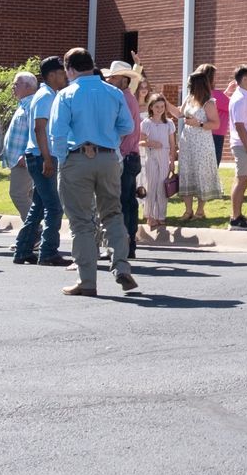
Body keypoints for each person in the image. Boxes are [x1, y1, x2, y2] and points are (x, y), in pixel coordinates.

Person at [48, 47, 139, 297]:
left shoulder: (66, 94)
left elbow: (57, 133)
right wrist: (110, 143)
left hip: (77, 157)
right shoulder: (113, 92)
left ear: (70, 69)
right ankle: (120, 264)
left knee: (81, 222)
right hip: (109, 157)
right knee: (113, 213)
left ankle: (87, 280)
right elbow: (127, 126)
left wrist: (63, 159)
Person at [13, 56, 71, 265]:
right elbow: (40, 128)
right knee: (54, 207)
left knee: (38, 205)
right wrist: (47, 158)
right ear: (52, 74)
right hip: (41, 156)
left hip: (41, 155)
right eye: (62, 72)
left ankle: (23, 250)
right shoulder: (46, 96)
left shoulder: (50, 95)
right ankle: (48, 253)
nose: (65, 76)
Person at [104, 61, 143, 250]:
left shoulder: (123, 99)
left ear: (124, 80)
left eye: (113, 77)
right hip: (131, 155)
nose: (109, 80)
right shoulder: (128, 97)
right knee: (128, 202)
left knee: (122, 203)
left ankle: (123, 244)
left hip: (124, 155)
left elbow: (122, 129)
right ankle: (129, 243)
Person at [178, 68, 221, 224]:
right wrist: (163, 102)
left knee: (201, 173)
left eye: (191, 84)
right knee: (186, 172)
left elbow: (216, 124)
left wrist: (199, 123)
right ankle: (188, 210)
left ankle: (200, 210)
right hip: (187, 141)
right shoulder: (189, 99)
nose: (189, 86)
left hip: (202, 142)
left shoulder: (208, 103)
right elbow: (179, 114)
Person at [0, 70, 39, 219]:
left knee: (18, 194)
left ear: (28, 86)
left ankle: (34, 230)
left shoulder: (31, 106)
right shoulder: (24, 104)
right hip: (18, 160)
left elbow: (36, 131)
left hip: (24, 159)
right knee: (27, 195)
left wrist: (26, 154)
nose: (13, 87)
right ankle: (32, 235)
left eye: (16, 84)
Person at [224, 66, 247, 227]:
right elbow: (239, 125)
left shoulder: (244, 96)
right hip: (243, 145)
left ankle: (237, 215)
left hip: (246, 145)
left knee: (243, 180)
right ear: (244, 79)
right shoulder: (239, 98)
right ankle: (235, 218)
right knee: (241, 179)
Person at [139, 94, 177, 237]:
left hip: (164, 157)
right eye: (156, 107)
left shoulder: (169, 124)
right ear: (151, 107)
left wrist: (172, 162)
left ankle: (161, 216)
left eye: (162, 107)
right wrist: (151, 143)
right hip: (151, 157)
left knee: (162, 187)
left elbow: (173, 144)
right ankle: (150, 215)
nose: (159, 109)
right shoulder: (146, 123)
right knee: (151, 186)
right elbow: (140, 142)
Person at [206, 64, 231, 169]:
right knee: (213, 167)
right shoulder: (216, 94)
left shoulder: (209, 94)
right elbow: (232, 105)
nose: (217, 78)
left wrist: (227, 91)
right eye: (215, 75)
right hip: (216, 135)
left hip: (210, 133)